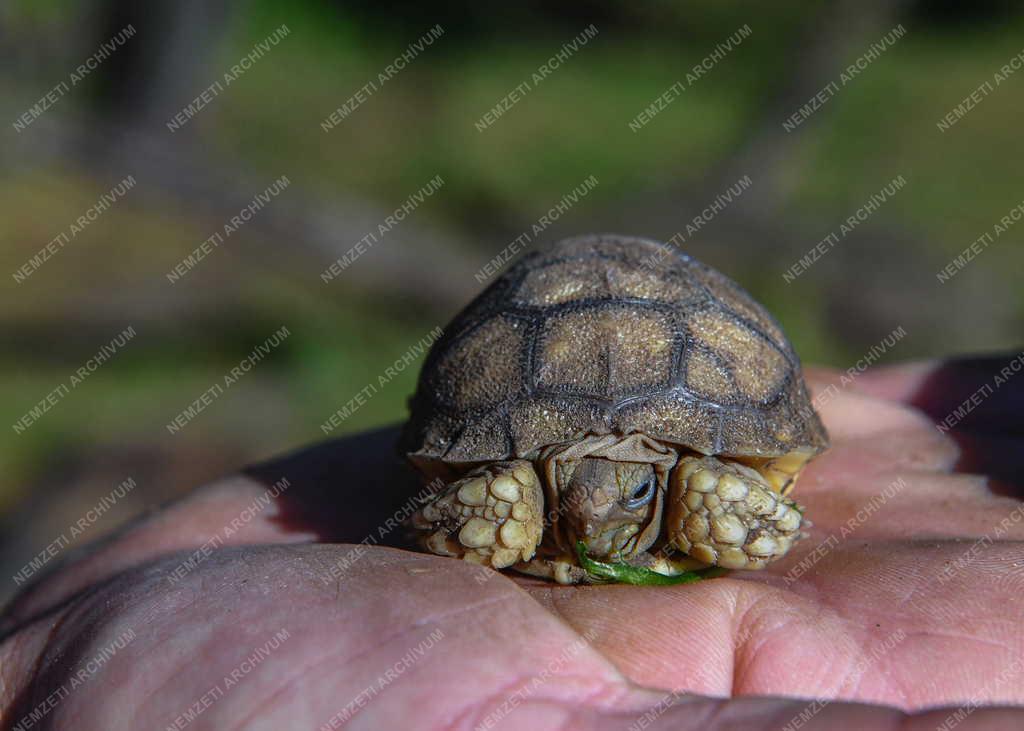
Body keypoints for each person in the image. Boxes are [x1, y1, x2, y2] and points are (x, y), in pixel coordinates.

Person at [2, 358, 1022, 730]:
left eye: (623, 492)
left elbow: (748, 508)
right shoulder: (518, 494)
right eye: (571, 496)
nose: (593, 516)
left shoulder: (697, 481)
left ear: (658, 474)